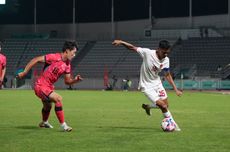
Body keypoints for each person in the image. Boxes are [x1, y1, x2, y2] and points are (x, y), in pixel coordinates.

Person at [112, 39, 182, 131]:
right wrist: (121, 42)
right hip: (146, 86)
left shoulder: (166, 60)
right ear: (159, 49)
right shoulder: (147, 53)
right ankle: (173, 125)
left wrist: (175, 89)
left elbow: (167, 75)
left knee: (166, 105)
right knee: (163, 107)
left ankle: (148, 106)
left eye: (167, 53)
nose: (166, 55)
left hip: (157, 84)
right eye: (164, 52)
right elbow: (132, 48)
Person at [18, 40, 83, 132]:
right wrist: (25, 72)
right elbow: (35, 59)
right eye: (73, 52)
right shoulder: (54, 57)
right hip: (40, 86)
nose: (74, 55)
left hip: (48, 87)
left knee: (47, 107)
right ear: (67, 51)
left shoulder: (67, 65)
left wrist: (76, 80)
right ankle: (63, 125)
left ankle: (44, 122)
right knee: (58, 99)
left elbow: (67, 81)